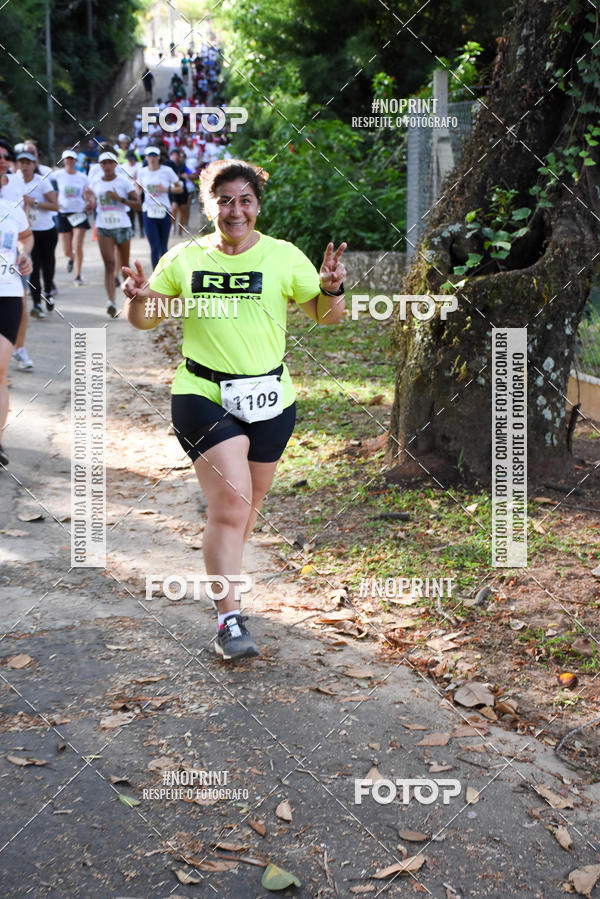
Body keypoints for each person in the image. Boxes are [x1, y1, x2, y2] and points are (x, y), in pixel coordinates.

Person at [122, 159, 346, 660]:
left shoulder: (284, 257)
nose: (236, 209)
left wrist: (332, 287)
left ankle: (227, 581)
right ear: (209, 206)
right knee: (229, 507)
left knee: (245, 510)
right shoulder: (185, 258)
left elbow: (328, 317)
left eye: (245, 199)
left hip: (271, 399)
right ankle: (229, 621)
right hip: (203, 394)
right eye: (225, 200)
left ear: (257, 206)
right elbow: (144, 320)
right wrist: (138, 299)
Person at [0, 189, 33, 466]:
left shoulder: (12, 209)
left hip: (8, 294)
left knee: (0, 369)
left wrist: (24, 254)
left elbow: (25, 238)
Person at [90, 150, 140, 317]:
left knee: (124, 268)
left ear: (115, 164)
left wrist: (120, 199)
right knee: (109, 264)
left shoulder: (124, 182)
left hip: (122, 226)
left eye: (111, 162)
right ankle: (111, 302)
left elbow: (139, 205)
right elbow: (92, 202)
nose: (107, 166)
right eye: (104, 163)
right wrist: (89, 204)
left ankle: (128, 301)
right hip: (104, 226)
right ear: (100, 165)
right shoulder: (96, 183)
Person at [16, 151, 59, 316]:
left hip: (46, 230)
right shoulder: (15, 183)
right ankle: (36, 304)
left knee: (47, 265)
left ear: (34, 164)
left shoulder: (42, 182)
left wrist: (33, 202)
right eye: (22, 162)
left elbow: (55, 206)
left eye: (28, 162)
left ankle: (48, 291)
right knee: (32, 266)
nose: (25, 166)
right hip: (27, 233)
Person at [136, 146, 182, 268]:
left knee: (163, 247)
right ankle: (155, 275)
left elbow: (180, 188)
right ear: (146, 157)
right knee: (154, 246)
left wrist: (166, 189)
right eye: (150, 156)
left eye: (154, 155)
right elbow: (138, 189)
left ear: (159, 157)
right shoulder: (142, 172)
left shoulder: (167, 171)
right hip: (148, 211)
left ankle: (165, 274)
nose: (152, 158)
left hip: (164, 210)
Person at [55, 149, 94, 286]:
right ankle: (71, 259)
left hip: (79, 213)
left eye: (72, 159)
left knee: (77, 245)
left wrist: (89, 200)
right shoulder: (57, 175)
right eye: (67, 159)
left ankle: (78, 275)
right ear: (63, 160)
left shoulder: (82, 176)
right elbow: (52, 191)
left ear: (75, 161)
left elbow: (88, 193)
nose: (70, 161)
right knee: (66, 249)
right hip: (63, 213)